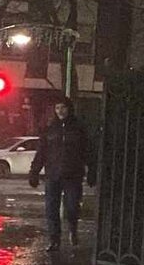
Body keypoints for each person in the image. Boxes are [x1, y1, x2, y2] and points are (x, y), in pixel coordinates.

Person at [28, 97, 95, 251]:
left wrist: (91, 170)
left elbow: (88, 152)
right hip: (53, 174)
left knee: (72, 206)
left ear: (69, 109)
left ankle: (72, 228)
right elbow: (41, 153)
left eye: (63, 108)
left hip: (73, 175)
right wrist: (34, 172)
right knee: (51, 208)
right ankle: (54, 239)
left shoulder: (78, 129)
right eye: (57, 108)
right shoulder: (50, 129)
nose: (60, 111)